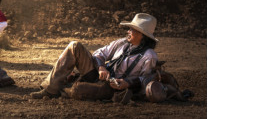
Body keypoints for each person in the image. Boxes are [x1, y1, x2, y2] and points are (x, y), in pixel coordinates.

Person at [29, 13, 165, 100]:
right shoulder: (121, 43)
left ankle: (65, 90)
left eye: (133, 30)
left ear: (143, 36)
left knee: (78, 90)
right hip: (100, 76)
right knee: (75, 46)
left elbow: (146, 79)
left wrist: (127, 83)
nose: (128, 31)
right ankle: (50, 90)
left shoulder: (149, 56)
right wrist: (101, 67)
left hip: (114, 88)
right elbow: (99, 53)